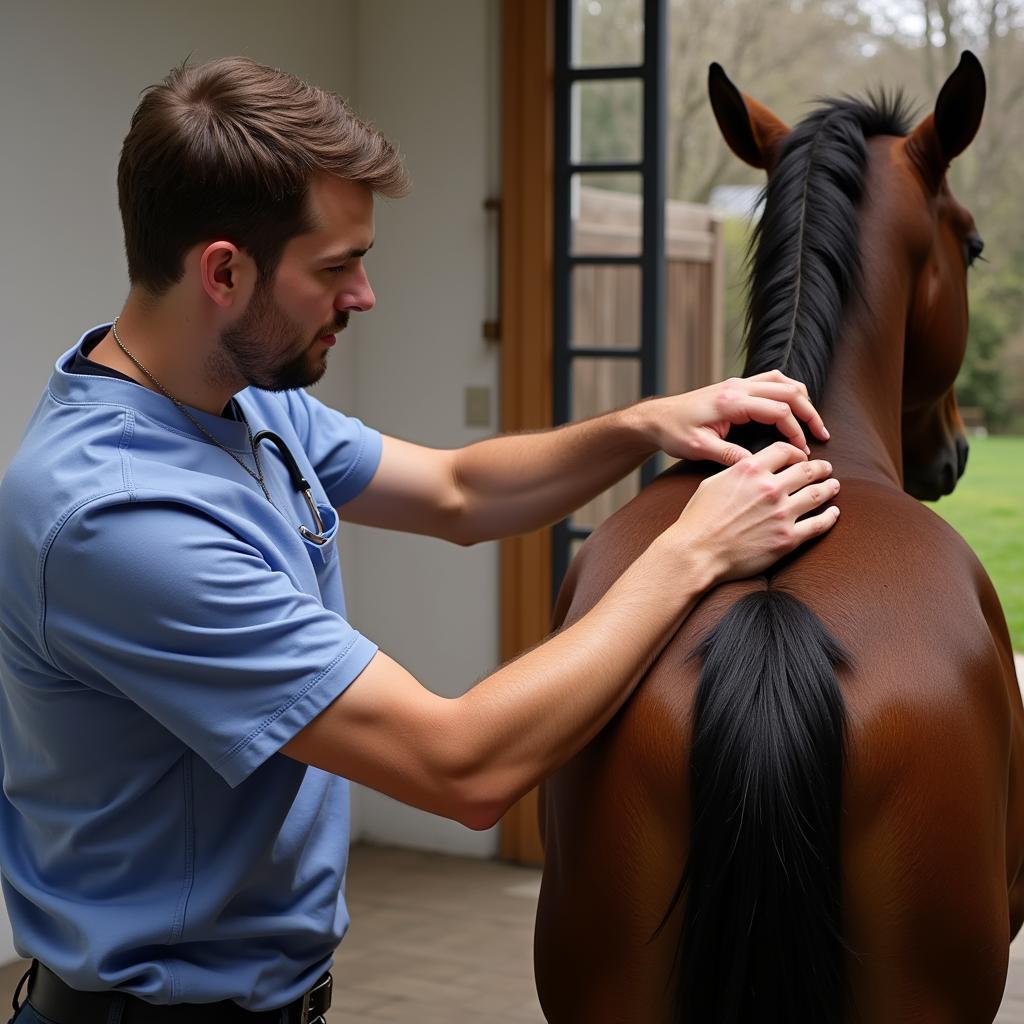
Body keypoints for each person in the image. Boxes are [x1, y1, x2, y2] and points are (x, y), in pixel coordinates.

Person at [0, 56, 839, 1024]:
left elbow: (455, 491)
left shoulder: (228, 398)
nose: (363, 295)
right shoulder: (121, 518)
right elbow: (462, 766)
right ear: (223, 271)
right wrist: (691, 552)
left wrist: (642, 424)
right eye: (335, 266)